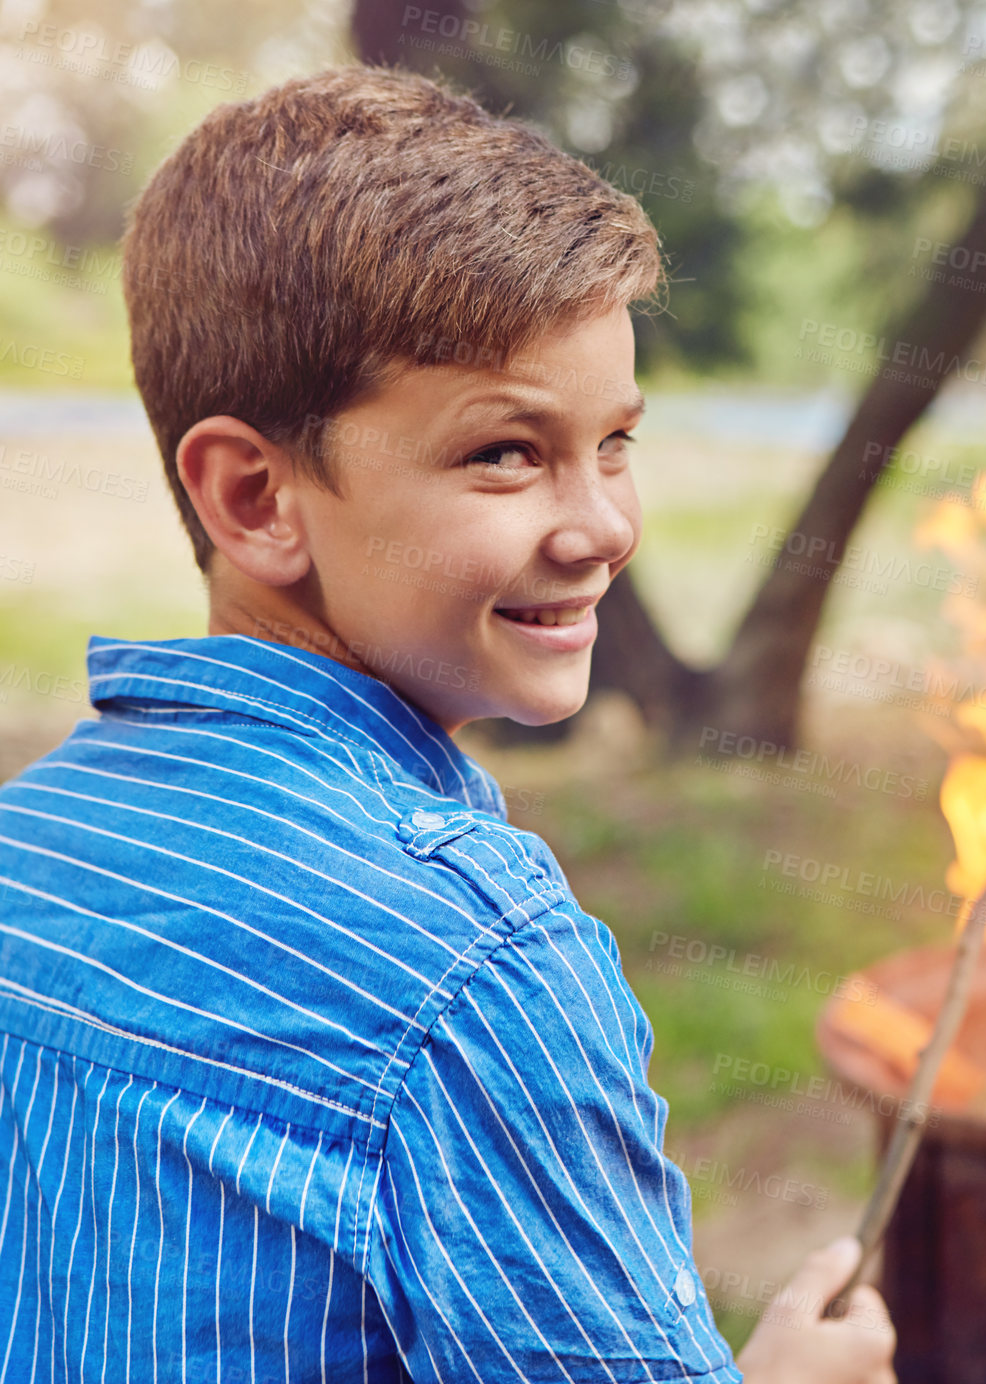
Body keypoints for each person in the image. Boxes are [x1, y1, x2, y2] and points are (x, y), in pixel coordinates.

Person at [0, 63, 896, 1384]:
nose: (601, 528)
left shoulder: (29, 842)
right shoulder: (474, 973)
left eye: (615, 442)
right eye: (505, 453)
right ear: (254, 498)